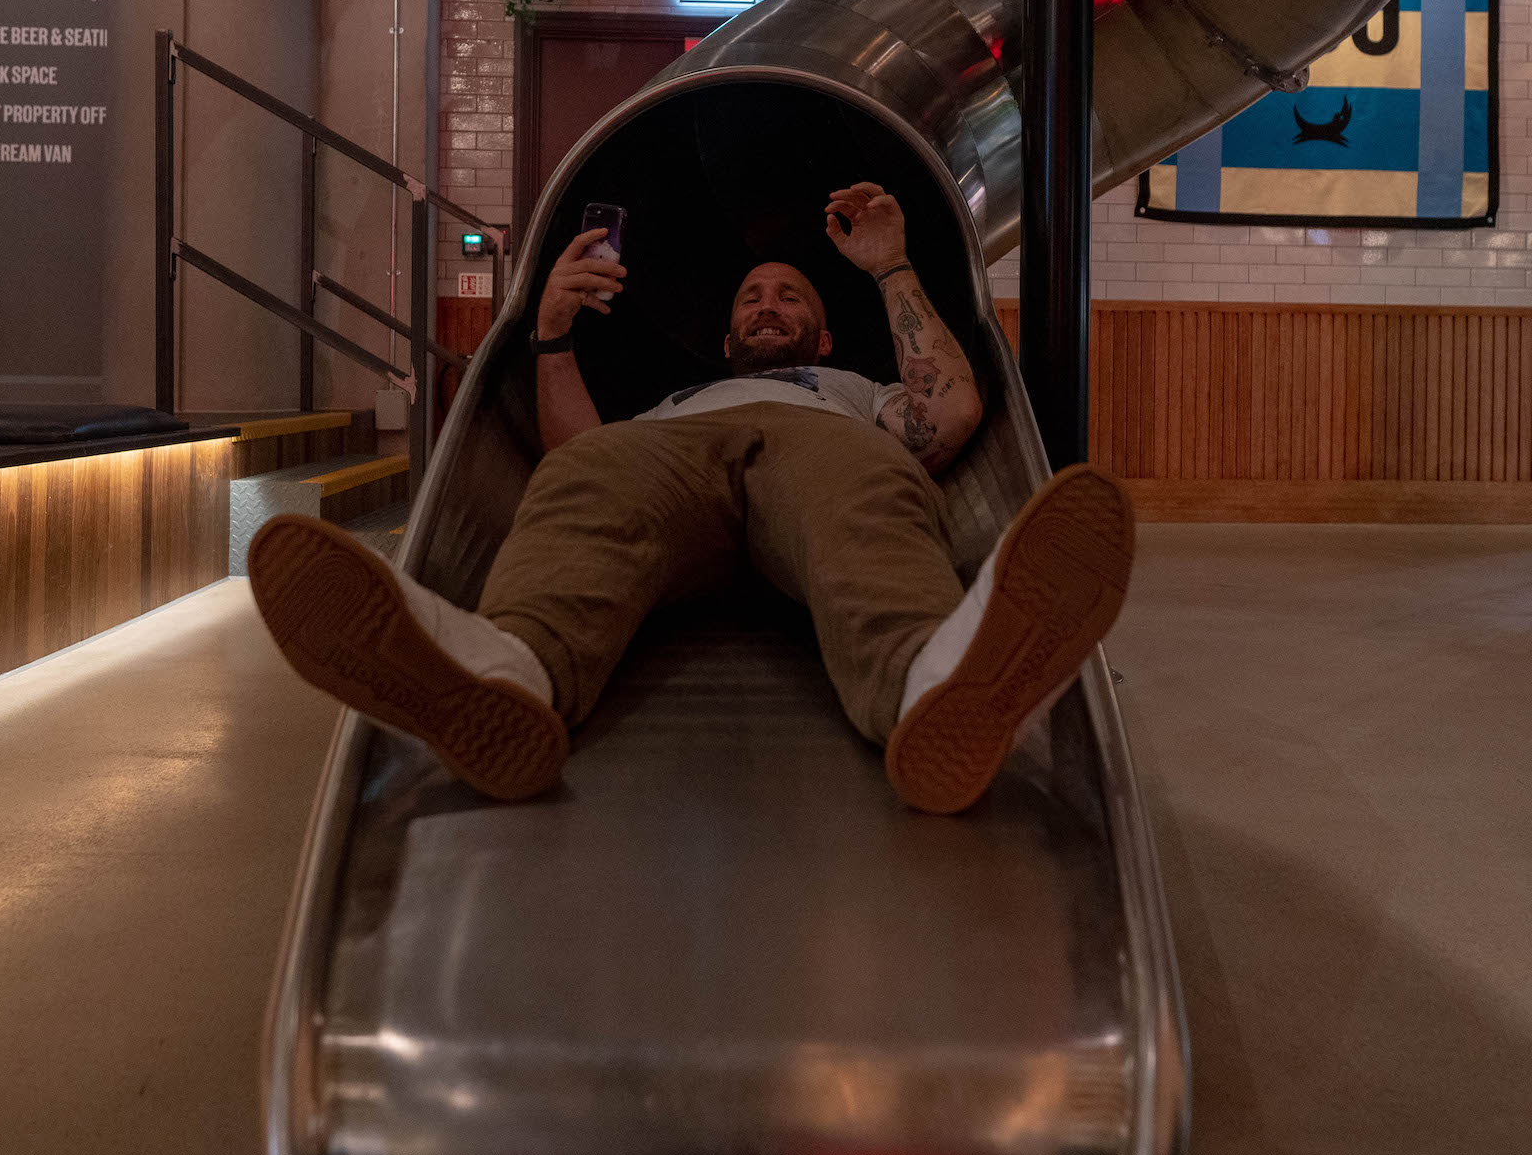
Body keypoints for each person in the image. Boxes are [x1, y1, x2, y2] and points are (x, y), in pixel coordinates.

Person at [249, 182, 1133, 815]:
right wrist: (550, 328)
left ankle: (930, 686)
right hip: (674, 459)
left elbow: (952, 413)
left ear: (821, 334)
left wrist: (892, 265)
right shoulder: (674, 402)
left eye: (790, 296)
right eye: (753, 296)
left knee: (868, 486)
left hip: (817, 448)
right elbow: (579, 454)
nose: (768, 303)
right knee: (587, 476)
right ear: (726, 335)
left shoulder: (853, 386)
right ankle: (508, 674)